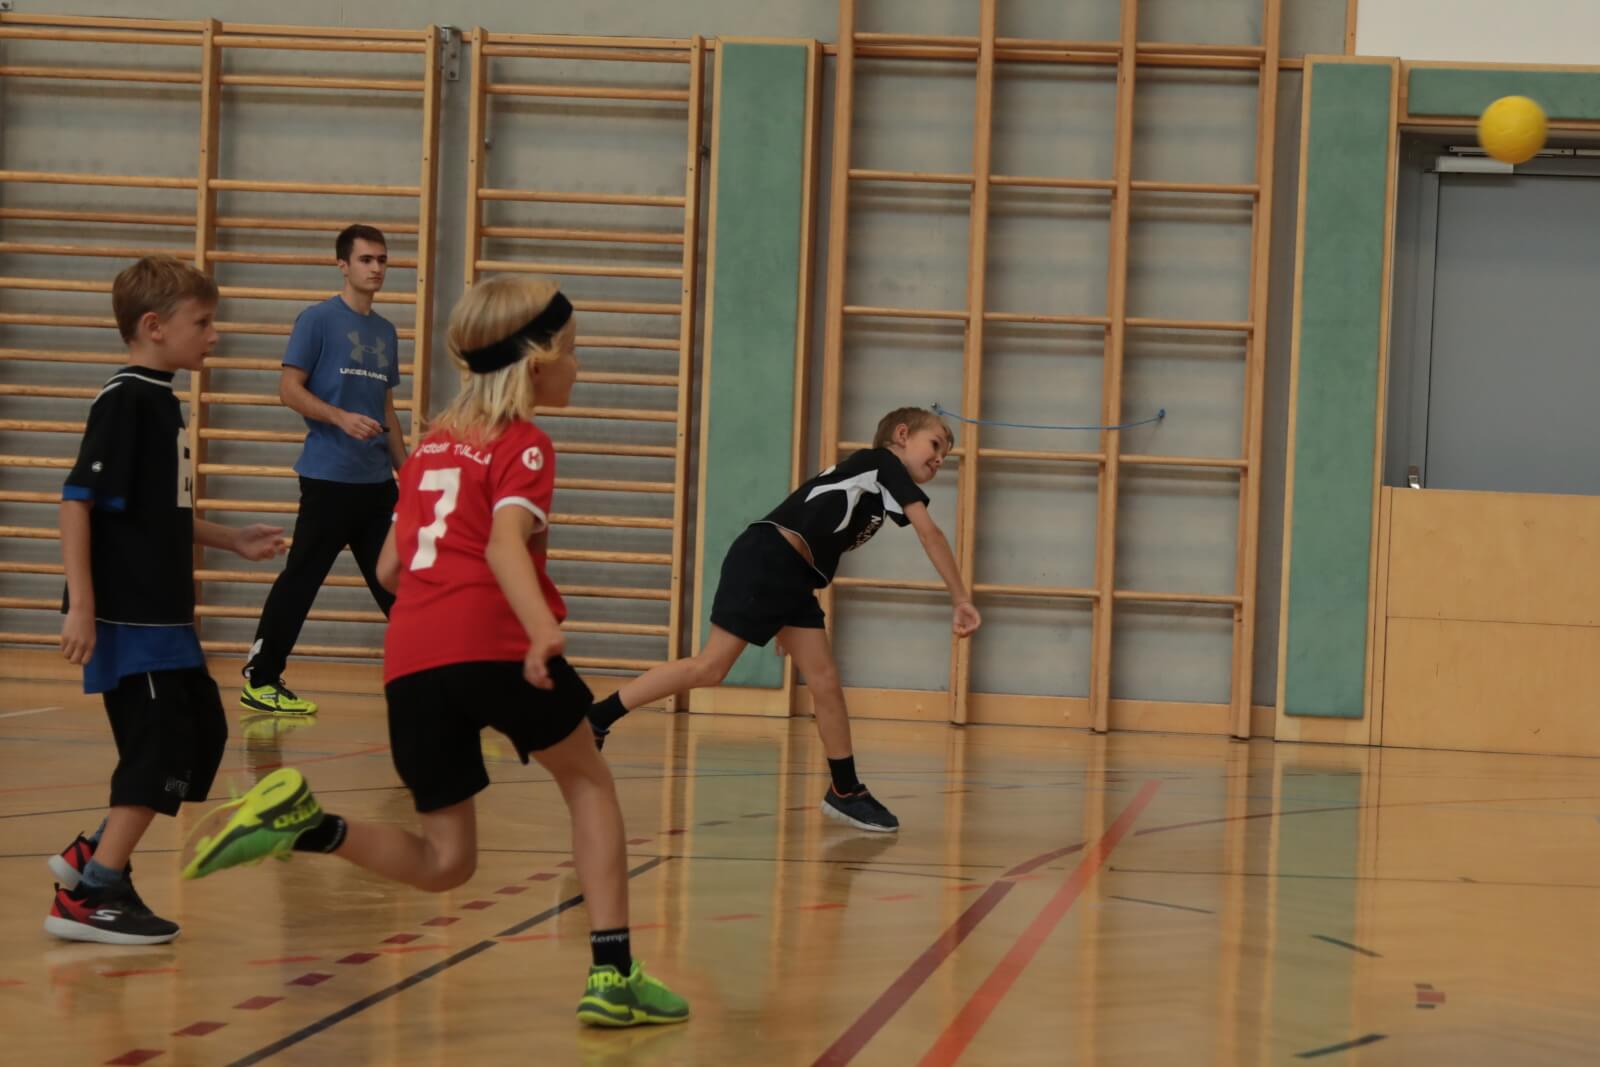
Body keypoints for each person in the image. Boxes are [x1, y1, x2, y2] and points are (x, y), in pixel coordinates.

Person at [180, 275, 690, 1028]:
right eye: (573, 350)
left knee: (447, 862)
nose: (580, 366)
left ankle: (307, 825)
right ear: (537, 361)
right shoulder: (523, 444)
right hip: (497, 644)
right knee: (588, 783)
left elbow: (391, 569)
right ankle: (613, 975)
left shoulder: (428, 452)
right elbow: (505, 544)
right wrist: (541, 628)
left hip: (412, 659)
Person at [586, 406, 981, 832]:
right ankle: (596, 717)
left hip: (794, 579)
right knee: (710, 668)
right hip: (766, 560)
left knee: (825, 680)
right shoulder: (882, 463)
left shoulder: (876, 487)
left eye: (946, 455)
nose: (940, 458)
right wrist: (960, 598)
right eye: (935, 445)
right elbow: (931, 534)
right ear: (901, 435)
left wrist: (784, 616)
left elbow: (821, 530)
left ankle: (846, 790)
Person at [49, 256, 286, 944]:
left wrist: (229, 538)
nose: (215, 334)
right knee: (156, 750)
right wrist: (81, 606)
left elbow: (158, 513)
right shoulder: (125, 400)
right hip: (128, 617)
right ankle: (95, 893)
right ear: (154, 326)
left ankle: (91, 853)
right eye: (203, 322)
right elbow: (76, 502)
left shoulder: (161, 399)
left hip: (165, 615)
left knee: (201, 734)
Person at [239, 223, 407, 716]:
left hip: (377, 485)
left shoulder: (386, 331)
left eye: (382, 260)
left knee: (399, 587)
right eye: (366, 260)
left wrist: (410, 472)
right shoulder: (317, 320)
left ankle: (442, 683)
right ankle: (261, 679)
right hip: (328, 480)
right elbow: (289, 389)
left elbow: (387, 409)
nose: (376, 268)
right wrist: (339, 417)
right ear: (343, 265)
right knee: (301, 579)